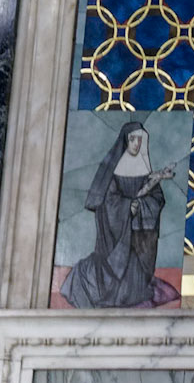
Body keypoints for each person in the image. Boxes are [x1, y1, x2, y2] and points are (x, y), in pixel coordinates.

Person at [61, 121, 176, 309]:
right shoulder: (112, 171)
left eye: (140, 140)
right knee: (111, 286)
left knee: (137, 288)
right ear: (125, 141)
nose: (136, 144)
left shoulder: (145, 169)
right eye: (132, 140)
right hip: (115, 242)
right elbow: (107, 201)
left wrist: (140, 205)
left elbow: (157, 199)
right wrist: (126, 207)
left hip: (137, 239)